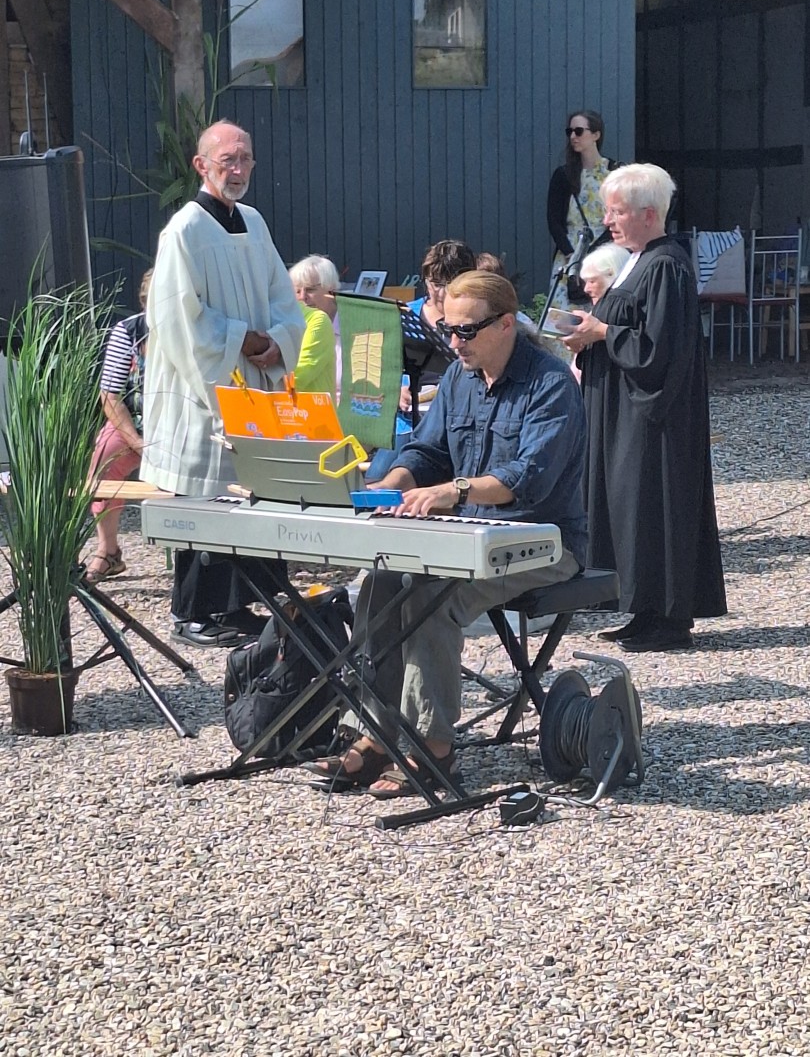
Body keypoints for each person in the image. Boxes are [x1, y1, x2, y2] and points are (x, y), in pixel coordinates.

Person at [305, 272, 587, 797]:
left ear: (506, 324)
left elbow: (530, 479)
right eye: (449, 331)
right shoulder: (461, 376)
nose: (454, 342)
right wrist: (390, 483)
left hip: (545, 540)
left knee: (431, 596)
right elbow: (428, 452)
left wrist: (453, 491)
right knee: (380, 584)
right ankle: (375, 732)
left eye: (466, 331)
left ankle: (432, 748)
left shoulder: (551, 383)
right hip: (469, 530)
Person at [141, 119, 304, 648]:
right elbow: (174, 319)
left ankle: (240, 606)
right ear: (202, 165)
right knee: (207, 500)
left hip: (256, 379)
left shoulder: (254, 223)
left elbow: (284, 295)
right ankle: (196, 612)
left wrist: (279, 338)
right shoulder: (184, 232)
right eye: (228, 160)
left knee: (250, 495)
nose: (238, 169)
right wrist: (240, 340)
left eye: (246, 159)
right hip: (204, 392)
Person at [561, 163, 727, 653]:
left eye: (618, 211)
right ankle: (643, 607)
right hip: (621, 414)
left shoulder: (667, 266)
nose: (608, 220)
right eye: (608, 210)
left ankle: (669, 617)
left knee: (653, 507)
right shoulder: (636, 261)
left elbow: (661, 349)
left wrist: (602, 332)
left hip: (653, 420)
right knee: (629, 509)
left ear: (649, 214)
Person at [364, 239, 476, 481]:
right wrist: (394, 390)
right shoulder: (404, 314)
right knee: (377, 480)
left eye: (451, 284)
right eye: (435, 283)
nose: (442, 292)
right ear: (425, 280)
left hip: (458, 422)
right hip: (408, 421)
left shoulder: (476, 319)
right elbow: (377, 370)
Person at [85, 268, 153, 583]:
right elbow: (110, 395)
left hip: (179, 430)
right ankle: (109, 551)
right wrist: (137, 442)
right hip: (134, 424)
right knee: (102, 462)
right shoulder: (127, 331)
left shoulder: (194, 331)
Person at [546, 110, 618, 313]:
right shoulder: (564, 175)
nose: (573, 137)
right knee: (563, 316)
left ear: (596, 135)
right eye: (570, 131)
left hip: (606, 252)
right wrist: (571, 253)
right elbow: (554, 220)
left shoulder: (613, 173)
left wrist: (599, 249)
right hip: (571, 254)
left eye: (579, 131)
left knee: (602, 311)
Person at [288, 254, 341, 399]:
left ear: (331, 290)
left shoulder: (355, 327)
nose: (302, 297)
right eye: (297, 291)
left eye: (310, 290)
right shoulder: (294, 326)